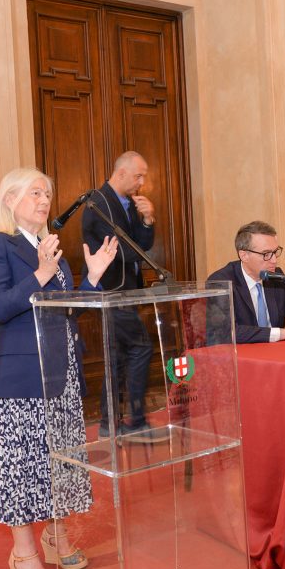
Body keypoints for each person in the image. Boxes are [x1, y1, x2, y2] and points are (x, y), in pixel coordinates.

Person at [0, 168, 118, 569]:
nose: (45, 200)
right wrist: (40, 274)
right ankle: (23, 555)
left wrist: (92, 278)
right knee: (23, 465)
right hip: (23, 375)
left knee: (62, 462)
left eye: (48, 194)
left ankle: (56, 536)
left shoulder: (49, 248)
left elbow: (65, 310)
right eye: (35, 192)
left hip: (62, 372)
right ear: (10, 199)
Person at [81, 151, 159, 440]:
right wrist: (143, 253)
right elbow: (121, 250)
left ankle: (109, 423)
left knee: (118, 357)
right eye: (138, 176)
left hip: (128, 291)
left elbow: (142, 244)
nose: (141, 182)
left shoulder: (128, 203)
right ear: (122, 173)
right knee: (140, 348)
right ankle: (134, 421)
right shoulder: (98, 203)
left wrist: (147, 219)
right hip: (110, 292)